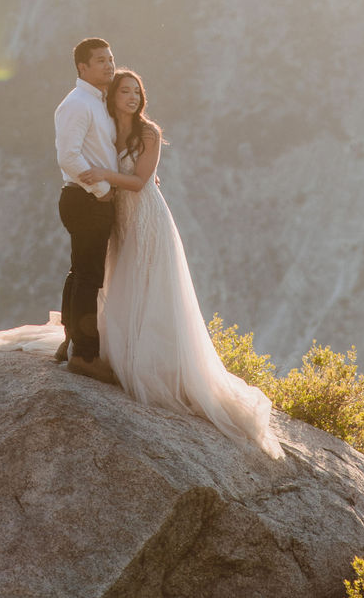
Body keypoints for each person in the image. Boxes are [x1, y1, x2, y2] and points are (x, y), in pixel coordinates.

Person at [79, 69, 282, 458]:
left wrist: (104, 173)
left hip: (147, 219)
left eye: (137, 91)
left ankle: (156, 365)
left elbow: (139, 182)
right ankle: (123, 351)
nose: (133, 97)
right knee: (123, 282)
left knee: (151, 286)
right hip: (120, 218)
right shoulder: (106, 127)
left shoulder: (149, 132)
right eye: (125, 91)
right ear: (112, 97)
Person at [52, 36, 120, 383]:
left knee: (80, 271)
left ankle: (69, 341)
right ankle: (86, 355)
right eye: (100, 61)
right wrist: (103, 189)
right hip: (84, 197)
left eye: (110, 59)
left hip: (87, 197)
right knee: (89, 276)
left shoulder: (96, 101)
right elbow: (68, 156)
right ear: (82, 68)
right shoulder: (77, 103)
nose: (109, 65)